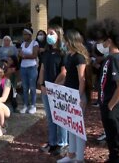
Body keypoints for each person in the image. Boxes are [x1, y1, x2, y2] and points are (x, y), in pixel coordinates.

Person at [87, 18, 119, 162]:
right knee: (111, 138)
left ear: (109, 41)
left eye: (101, 40)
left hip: (114, 106)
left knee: (116, 139)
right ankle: (113, 159)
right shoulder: (108, 58)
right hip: (107, 104)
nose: (100, 44)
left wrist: (110, 105)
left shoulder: (116, 58)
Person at [56, 29, 90, 162]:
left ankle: (79, 158)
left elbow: (82, 79)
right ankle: (71, 154)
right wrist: (58, 86)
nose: (64, 42)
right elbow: (69, 77)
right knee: (71, 126)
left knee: (78, 129)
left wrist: (79, 97)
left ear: (71, 41)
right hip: (69, 95)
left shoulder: (79, 57)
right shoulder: (69, 56)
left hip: (77, 96)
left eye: (66, 40)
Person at [38, 25, 68, 156]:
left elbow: (64, 72)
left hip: (59, 89)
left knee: (60, 118)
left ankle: (62, 144)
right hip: (46, 89)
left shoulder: (64, 52)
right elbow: (42, 69)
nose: (48, 36)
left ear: (59, 35)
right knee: (50, 118)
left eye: (52, 33)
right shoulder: (46, 52)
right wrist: (41, 84)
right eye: (48, 33)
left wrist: (53, 86)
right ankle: (52, 142)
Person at [19, 27, 39, 114]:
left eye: (25, 34)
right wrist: (22, 55)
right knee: (25, 87)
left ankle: (33, 105)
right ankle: (25, 105)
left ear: (29, 35)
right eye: (23, 34)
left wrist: (24, 56)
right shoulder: (23, 44)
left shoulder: (35, 43)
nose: (23, 36)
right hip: (23, 67)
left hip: (32, 67)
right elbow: (19, 53)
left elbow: (34, 55)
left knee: (32, 87)